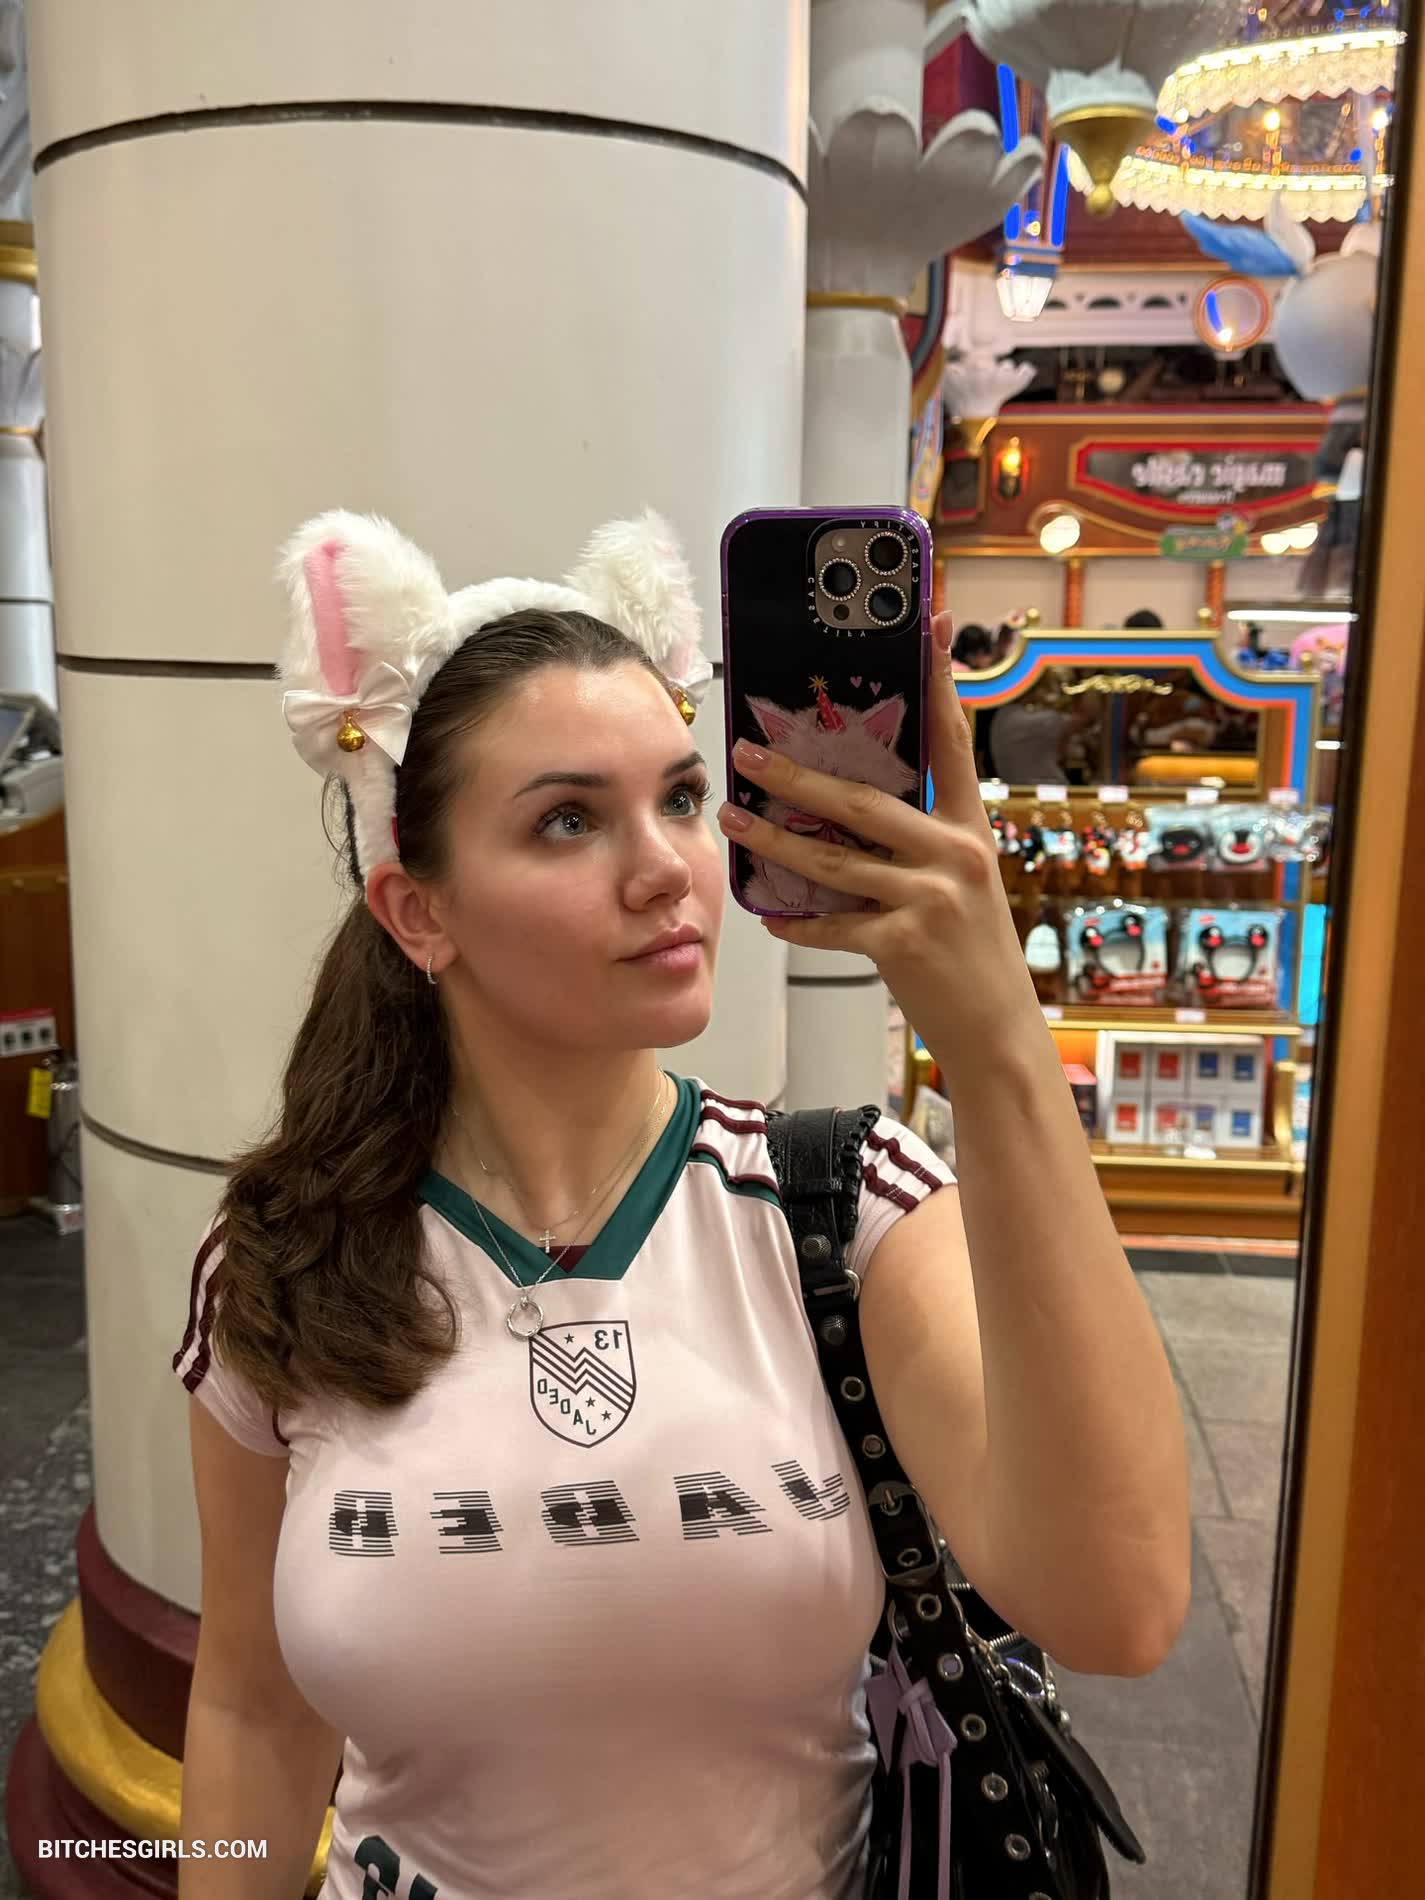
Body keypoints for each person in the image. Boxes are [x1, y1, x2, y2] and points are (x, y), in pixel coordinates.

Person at [172, 509, 1190, 1900]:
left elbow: (1120, 1606)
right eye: (569, 819)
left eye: (684, 798)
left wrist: (999, 1037)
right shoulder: (283, 1259)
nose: (666, 867)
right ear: (419, 913)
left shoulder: (845, 1209)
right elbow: (250, 1708)